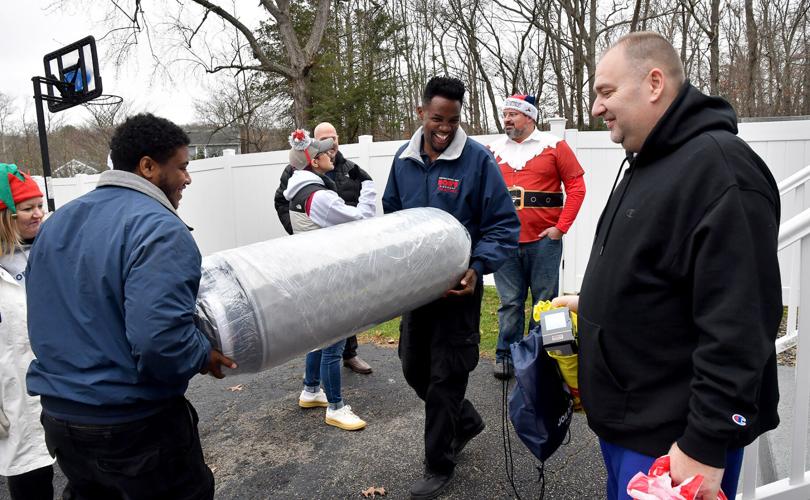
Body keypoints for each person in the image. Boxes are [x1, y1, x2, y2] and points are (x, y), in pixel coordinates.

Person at [553, 32, 781, 500]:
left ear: (654, 83)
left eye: (605, 91)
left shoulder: (721, 172)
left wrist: (704, 443)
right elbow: (661, 271)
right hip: (627, 423)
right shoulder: (648, 161)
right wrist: (592, 303)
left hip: (674, 447)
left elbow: (740, 325)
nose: (597, 109)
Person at [25, 113, 237, 500]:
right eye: (182, 167)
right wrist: (203, 354)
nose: (187, 178)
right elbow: (160, 342)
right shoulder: (159, 228)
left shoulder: (57, 223)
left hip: (62, 423)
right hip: (134, 430)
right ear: (148, 167)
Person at [383, 76, 520, 499]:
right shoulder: (403, 160)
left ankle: (438, 464)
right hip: (417, 291)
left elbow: (503, 226)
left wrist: (477, 267)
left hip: (459, 291)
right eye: (437, 119)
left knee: (446, 376)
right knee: (413, 368)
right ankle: (464, 420)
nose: (445, 129)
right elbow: (391, 216)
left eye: (453, 120)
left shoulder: (477, 161)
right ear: (422, 112)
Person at [487, 94, 586, 379]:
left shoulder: (554, 147)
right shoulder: (491, 151)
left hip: (545, 241)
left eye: (512, 114)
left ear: (529, 117)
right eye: (504, 114)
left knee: (546, 301)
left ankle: (538, 355)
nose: (506, 119)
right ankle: (506, 355)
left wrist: (561, 227)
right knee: (510, 302)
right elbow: (481, 193)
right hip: (506, 242)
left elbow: (577, 187)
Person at [284, 128, 376, 431]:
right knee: (334, 342)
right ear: (313, 162)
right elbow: (360, 221)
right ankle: (336, 407)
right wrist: (369, 190)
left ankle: (311, 389)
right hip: (327, 275)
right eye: (324, 152)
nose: (330, 153)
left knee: (317, 337)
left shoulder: (300, 187)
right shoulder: (318, 196)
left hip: (311, 270)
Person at [0, 165, 54, 500]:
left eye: (40, 205)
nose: (38, 214)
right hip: (14, 394)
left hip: (61, 386)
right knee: (31, 480)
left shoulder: (50, 252)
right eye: (27, 208)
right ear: (6, 215)